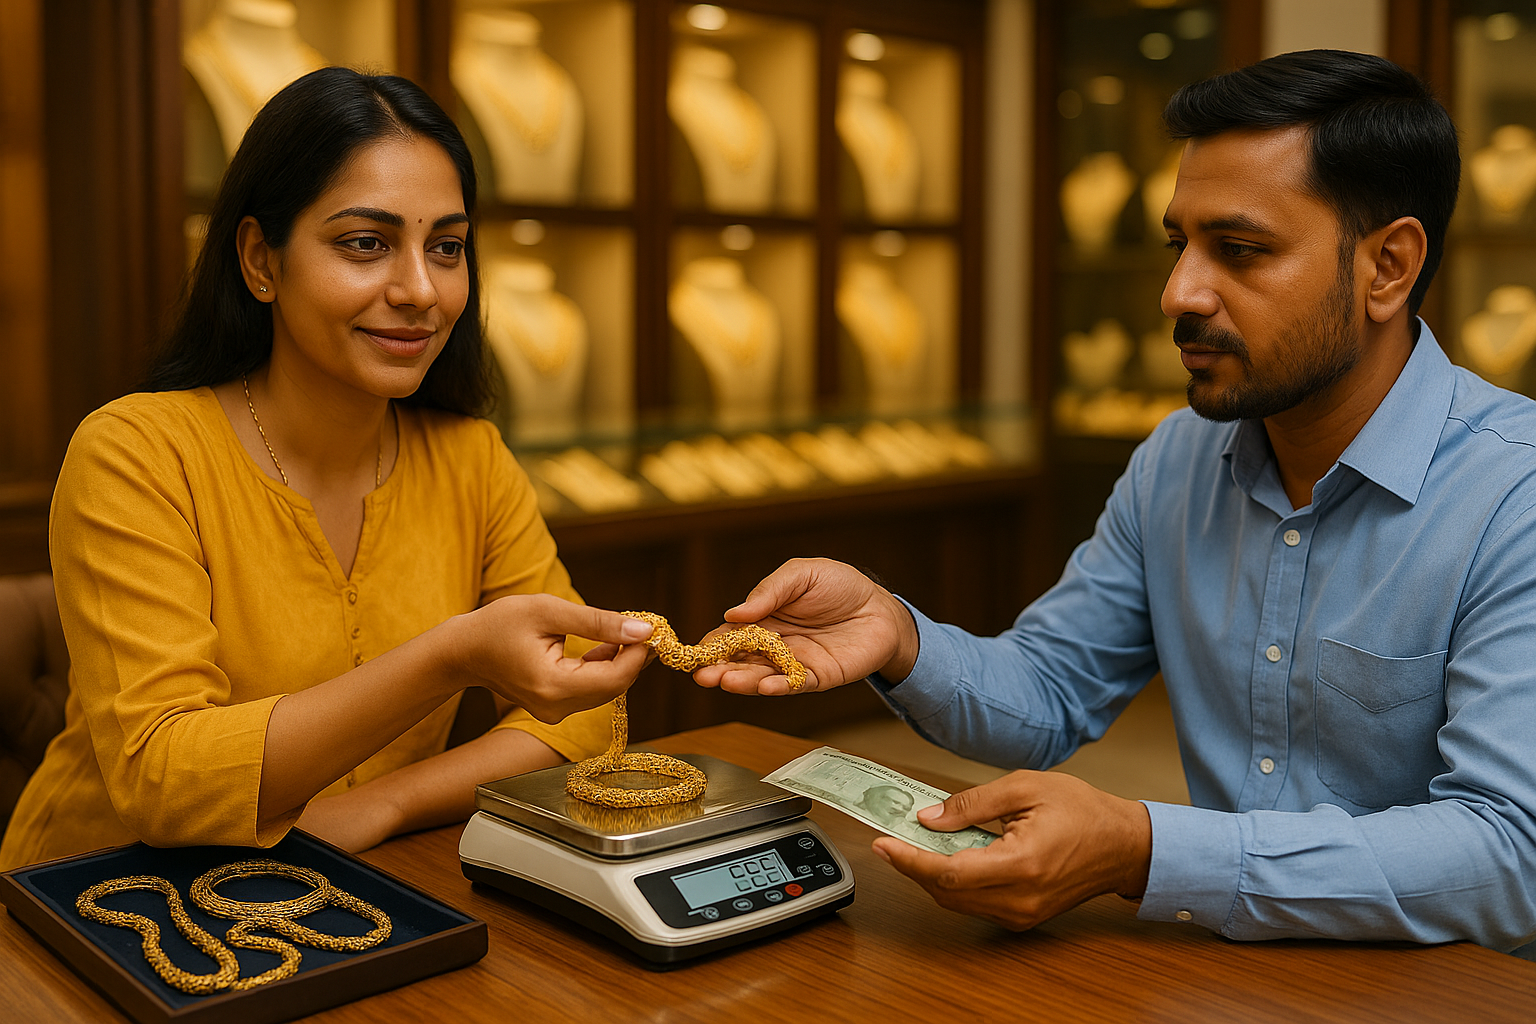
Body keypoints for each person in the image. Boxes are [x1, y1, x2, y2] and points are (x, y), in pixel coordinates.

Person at [693, 50, 1536, 959]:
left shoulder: (1513, 495)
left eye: (1240, 251)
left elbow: (1509, 854)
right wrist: (897, 636)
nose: (1179, 293)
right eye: (1180, 246)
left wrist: (1143, 848)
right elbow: (1051, 691)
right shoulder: (1179, 459)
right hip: (1222, 975)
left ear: (1388, 268)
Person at [0, 68, 655, 871]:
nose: (420, 290)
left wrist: (386, 802)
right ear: (260, 259)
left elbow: (586, 713)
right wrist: (450, 658)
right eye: (366, 244)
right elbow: (166, 779)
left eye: (446, 247)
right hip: (99, 898)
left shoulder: (471, 459)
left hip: (350, 887)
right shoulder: (137, 452)